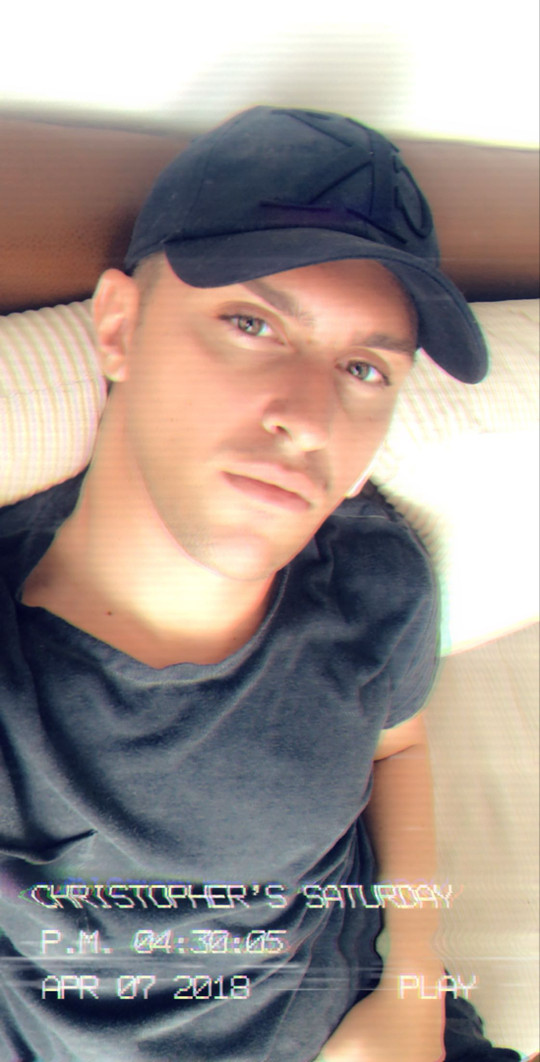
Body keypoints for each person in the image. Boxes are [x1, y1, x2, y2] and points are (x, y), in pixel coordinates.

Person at [0, 106, 526, 1062]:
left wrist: (411, 990)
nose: (310, 419)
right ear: (118, 327)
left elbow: (398, 748)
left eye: (364, 368)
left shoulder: (375, 578)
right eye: (252, 325)